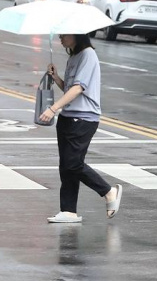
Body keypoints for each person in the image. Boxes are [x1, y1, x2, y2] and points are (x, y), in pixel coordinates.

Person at [39, 34, 123, 223]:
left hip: (83, 118)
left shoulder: (88, 55)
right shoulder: (74, 57)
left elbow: (78, 89)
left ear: (76, 34)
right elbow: (69, 89)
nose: (60, 37)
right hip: (68, 117)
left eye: (64, 34)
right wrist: (56, 78)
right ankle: (68, 211)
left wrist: (53, 109)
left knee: (73, 163)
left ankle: (108, 191)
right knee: (66, 166)